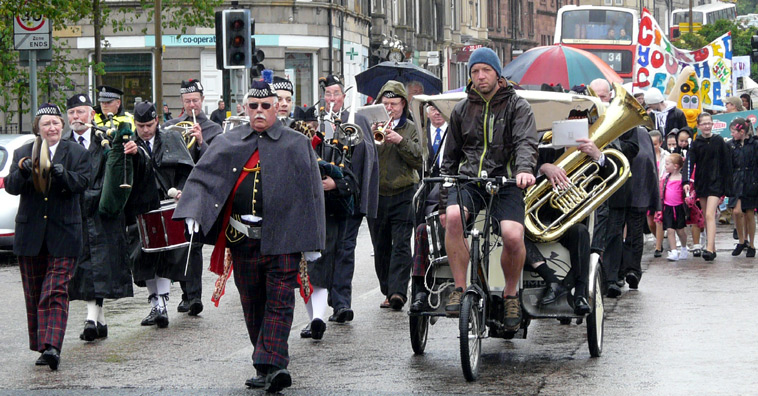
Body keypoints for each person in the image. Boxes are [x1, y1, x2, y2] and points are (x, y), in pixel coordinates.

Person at [173, 80, 325, 392]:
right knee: (252, 301)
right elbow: (203, 177)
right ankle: (265, 362)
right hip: (242, 238)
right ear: (244, 108)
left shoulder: (296, 143)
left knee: (280, 300)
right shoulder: (228, 141)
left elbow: (312, 194)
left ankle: (274, 363)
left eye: (265, 106)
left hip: (284, 237)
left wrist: (313, 241)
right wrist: (193, 212)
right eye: (253, 106)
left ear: (275, 109)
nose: (259, 112)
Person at [441, 47, 537, 331]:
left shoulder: (517, 106)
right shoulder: (461, 109)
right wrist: (443, 198)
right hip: (471, 180)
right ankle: (459, 288)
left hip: (506, 181)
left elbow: (525, 143)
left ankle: (510, 294)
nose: (480, 77)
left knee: (512, 234)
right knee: (455, 217)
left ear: (497, 73)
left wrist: (523, 170)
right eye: (475, 72)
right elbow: (450, 159)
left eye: (486, 70)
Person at [5, 104, 91, 370]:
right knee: (34, 294)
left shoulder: (76, 152)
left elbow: (83, 183)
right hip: (31, 234)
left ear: (62, 126)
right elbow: (10, 187)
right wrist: (22, 171)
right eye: (46, 124)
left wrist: (64, 175)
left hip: (64, 233)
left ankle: (53, 346)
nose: (52, 128)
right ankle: (43, 346)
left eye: (56, 123)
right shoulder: (22, 152)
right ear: (38, 129)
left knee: (54, 291)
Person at [65, 93, 146, 341]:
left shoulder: (106, 138)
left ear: (92, 114)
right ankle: (98, 319)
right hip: (74, 214)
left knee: (98, 266)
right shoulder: (64, 144)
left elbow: (125, 171)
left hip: (103, 212)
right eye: (72, 113)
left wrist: (133, 152)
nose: (76, 117)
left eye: (81, 111)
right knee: (85, 268)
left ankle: (92, 319)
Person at [292, 104, 358, 340]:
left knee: (317, 268)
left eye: (309, 127)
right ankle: (314, 318)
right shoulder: (285, 150)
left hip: (326, 217)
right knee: (302, 274)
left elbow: (352, 183)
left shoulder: (331, 150)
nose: (306, 133)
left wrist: (334, 185)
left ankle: (317, 318)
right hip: (294, 218)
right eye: (300, 129)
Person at [129, 101, 196, 327]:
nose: (145, 130)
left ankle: (162, 306)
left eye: (149, 124)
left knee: (166, 254)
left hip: (168, 203)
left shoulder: (171, 138)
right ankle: (155, 305)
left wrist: (182, 191)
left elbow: (187, 169)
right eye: (140, 126)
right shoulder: (129, 143)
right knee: (144, 258)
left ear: (156, 121)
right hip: (140, 208)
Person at [321, 74, 379, 323]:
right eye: (328, 94)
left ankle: (342, 303)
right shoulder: (317, 121)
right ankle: (327, 302)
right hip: (323, 200)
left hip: (348, 198)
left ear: (344, 98)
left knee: (344, 249)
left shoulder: (357, 119)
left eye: (336, 94)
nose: (332, 98)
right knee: (324, 252)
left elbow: (366, 156)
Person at [163, 79, 223, 315]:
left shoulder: (214, 129)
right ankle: (186, 294)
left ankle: (194, 296)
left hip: (199, 192)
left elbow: (217, 161)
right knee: (179, 244)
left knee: (194, 244)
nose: (191, 105)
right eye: (187, 101)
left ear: (202, 100)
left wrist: (200, 140)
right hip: (176, 191)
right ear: (182, 102)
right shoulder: (172, 126)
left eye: (195, 101)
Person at [369, 80, 423, 311]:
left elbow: (419, 159)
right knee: (381, 246)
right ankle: (387, 289)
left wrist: (400, 141)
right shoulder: (371, 124)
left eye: (394, 103)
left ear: (403, 104)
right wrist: (369, 137)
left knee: (401, 244)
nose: (389, 108)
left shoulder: (412, 127)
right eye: (386, 103)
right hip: (377, 194)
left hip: (403, 192)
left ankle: (398, 292)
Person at [587, 79, 640, 298]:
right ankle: (590, 277)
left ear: (610, 96)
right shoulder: (585, 117)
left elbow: (633, 148)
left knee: (614, 232)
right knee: (591, 232)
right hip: (590, 185)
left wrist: (609, 146)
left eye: (604, 96)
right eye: (596, 96)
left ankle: (610, 279)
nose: (601, 100)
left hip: (616, 184)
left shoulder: (622, 118)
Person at [684, 112, 732, 261]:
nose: (706, 126)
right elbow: (689, 162)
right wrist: (686, 181)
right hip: (702, 182)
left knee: (710, 214)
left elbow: (727, 163)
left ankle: (709, 248)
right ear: (698, 126)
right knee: (705, 215)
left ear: (712, 124)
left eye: (709, 123)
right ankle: (713, 247)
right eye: (703, 124)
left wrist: (728, 184)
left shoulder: (719, 141)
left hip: (716, 182)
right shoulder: (696, 143)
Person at [620, 127, 660, 289]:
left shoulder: (642, 134)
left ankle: (633, 270)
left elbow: (648, 162)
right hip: (620, 191)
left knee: (634, 232)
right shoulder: (642, 134)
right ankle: (620, 270)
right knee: (616, 233)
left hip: (638, 188)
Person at [727, 118, 758, 257]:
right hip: (736, 180)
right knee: (737, 212)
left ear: (742, 131)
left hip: (751, 180)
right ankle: (741, 240)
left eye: (734, 131)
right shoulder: (731, 145)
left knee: (750, 213)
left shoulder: (754, 144)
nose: (732, 134)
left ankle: (751, 243)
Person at [660, 154, 689, 261]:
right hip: (667, 207)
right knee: (670, 230)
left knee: (680, 231)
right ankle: (673, 251)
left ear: (676, 166)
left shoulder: (682, 179)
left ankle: (684, 247)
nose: (665, 166)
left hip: (679, 208)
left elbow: (686, 193)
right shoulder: (666, 178)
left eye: (667, 164)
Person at [648, 129, 669, 257]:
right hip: (649, 189)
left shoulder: (666, 155)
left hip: (661, 189)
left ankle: (658, 246)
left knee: (658, 219)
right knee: (650, 221)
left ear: (660, 143)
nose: (653, 146)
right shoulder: (645, 154)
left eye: (655, 144)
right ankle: (658, 239)